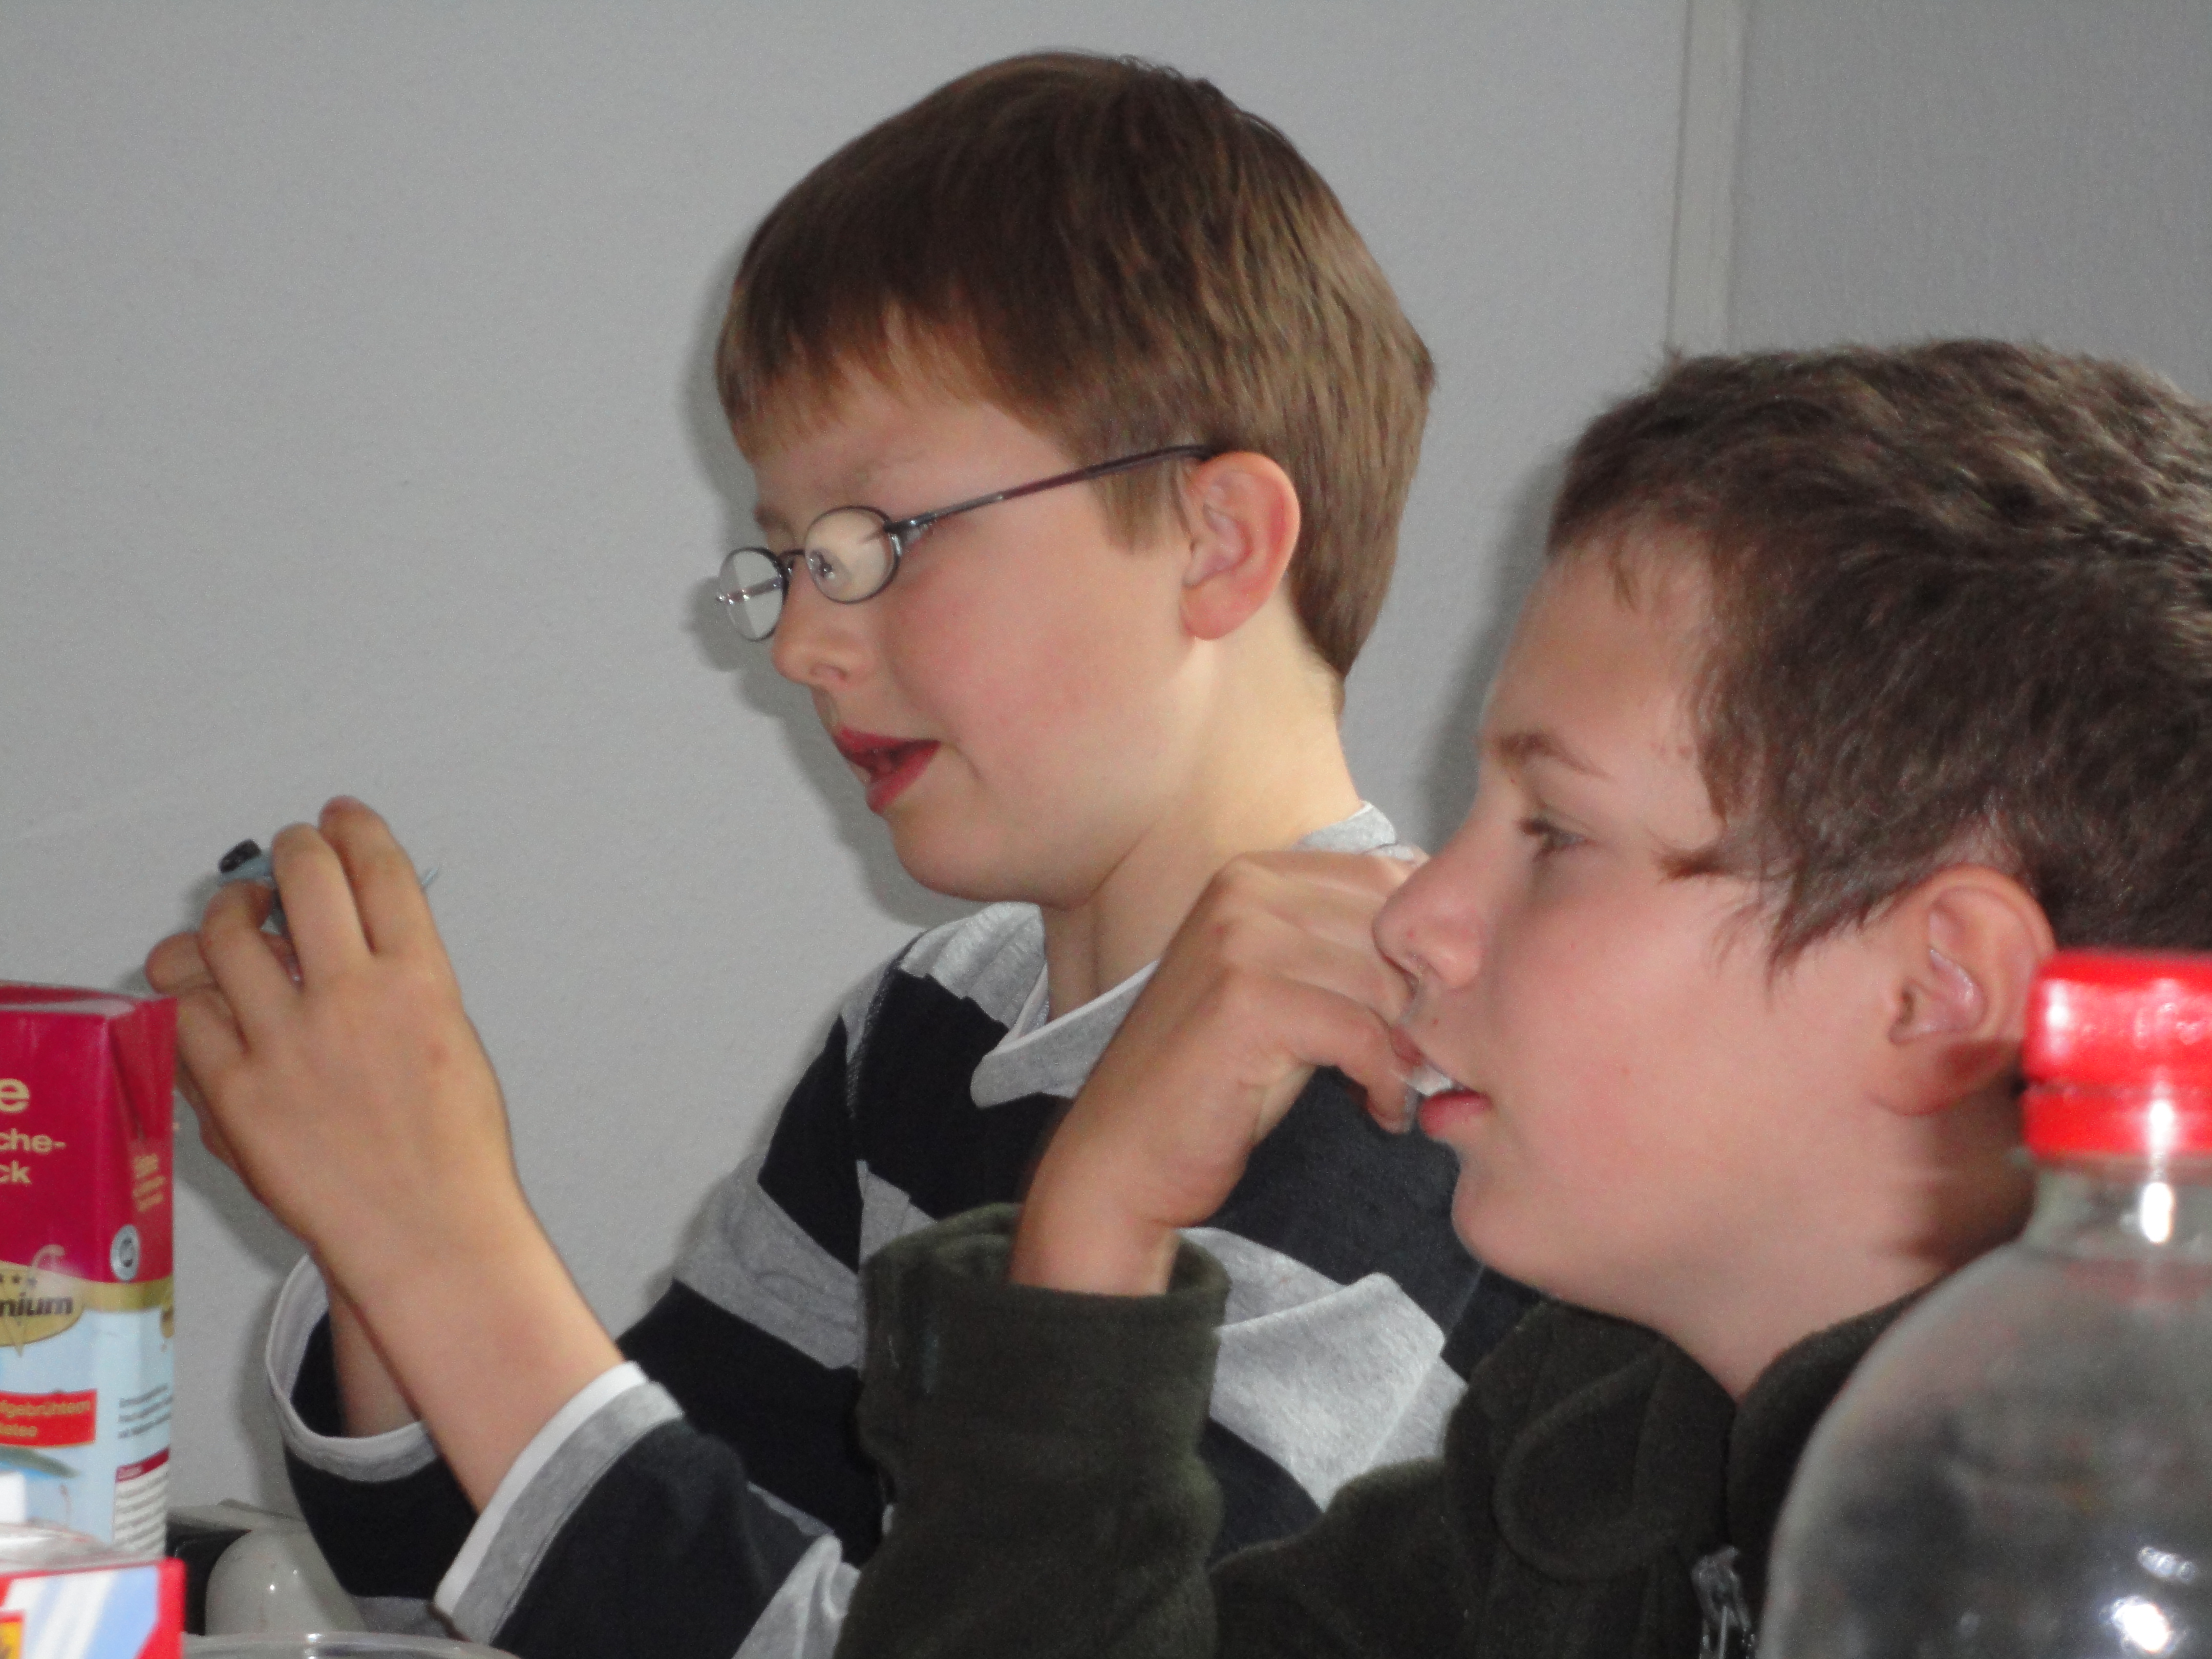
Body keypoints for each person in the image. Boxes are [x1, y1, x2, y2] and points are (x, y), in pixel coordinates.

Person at [145, 51, 1535, 1657]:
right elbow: (531, 1589)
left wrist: (439, 1236)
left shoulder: (1400, 1084)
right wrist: (370, 1223)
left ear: (1215, 543)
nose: (802, 642)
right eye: (789, 560)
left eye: (878, 542)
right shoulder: (930, 1025)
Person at [825, 340, 2212, 1658]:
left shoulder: (2106, 1559)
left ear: (1937, 992)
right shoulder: (1597, 1452)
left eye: (1553, 832)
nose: (1418, 916)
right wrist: (1095, 1233)